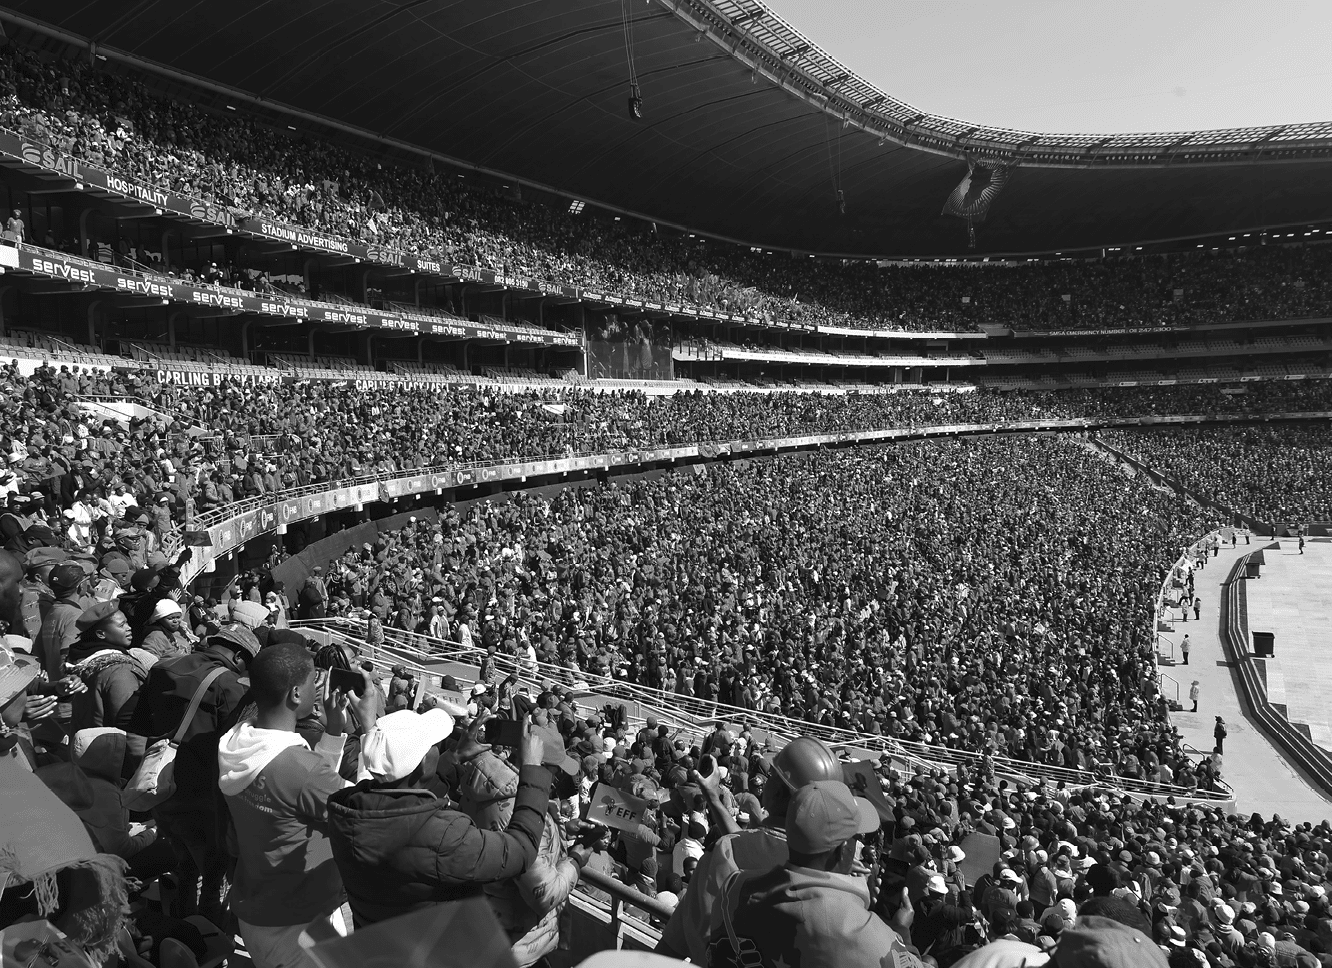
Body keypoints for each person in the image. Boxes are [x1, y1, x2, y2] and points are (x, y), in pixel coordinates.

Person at [218, 641, 377, 968]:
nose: (319, 690)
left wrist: (333, 732)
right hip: (301, 921)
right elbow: (366, 810)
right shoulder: (299, 769)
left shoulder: (237, 741)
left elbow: (299, 793)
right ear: (295, 695)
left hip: (258, 907)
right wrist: (369, 726)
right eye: (313, 683)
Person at [326, 709, 561, 928]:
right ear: (420, 767)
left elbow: (405, 801)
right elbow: (520, 850)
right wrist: (532, 769)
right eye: (433, 745)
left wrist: (455, 756)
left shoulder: (345, 809)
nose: (438, 748)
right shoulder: (444, 836)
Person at [657, 736, 847, 963]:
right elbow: (748, 840)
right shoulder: (835, 867)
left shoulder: (726, 851)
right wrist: (713, 797)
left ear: (777, 791)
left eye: (772, 776)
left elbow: (676, 944)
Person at [708, 779, 922, 968]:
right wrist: (901, 931)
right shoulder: (863, 933)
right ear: (844, 848)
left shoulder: (733, 887)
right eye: (856, 838)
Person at [128, 624, 257, 920]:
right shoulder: (230, 684)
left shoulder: (162, 667)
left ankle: (177, 930)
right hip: (204, 800)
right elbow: (236, 748)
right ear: (238, 655)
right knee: (211, 878)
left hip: (161, 787)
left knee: (182, 865)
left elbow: (136, 728)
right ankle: (204, 939)